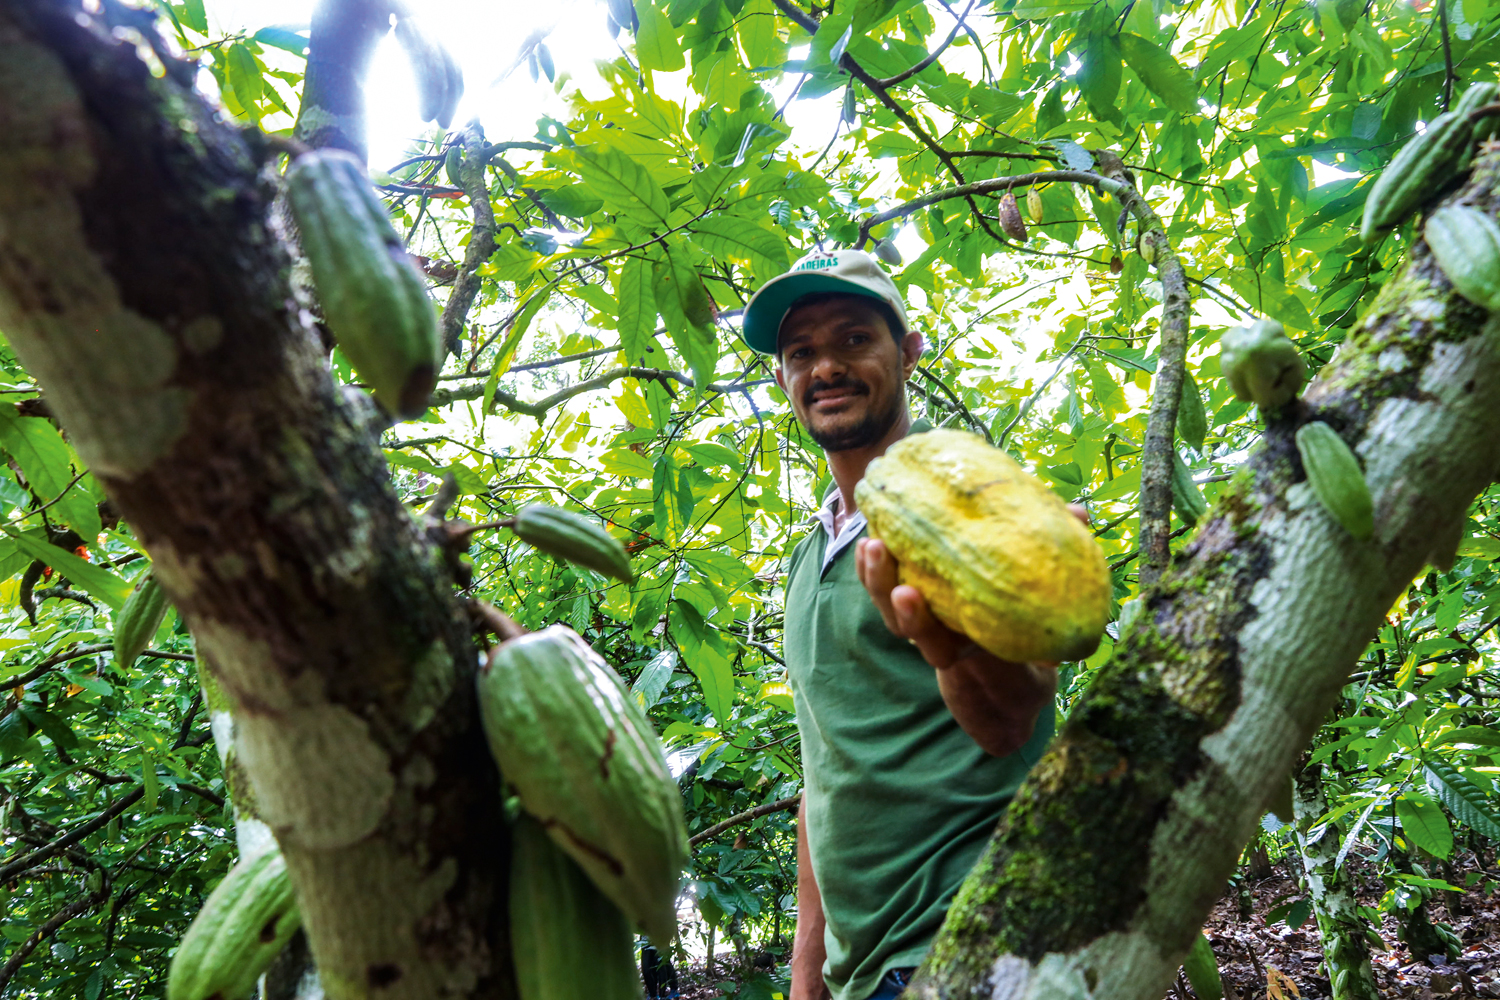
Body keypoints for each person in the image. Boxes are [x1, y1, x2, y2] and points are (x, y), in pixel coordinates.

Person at [739, 248, 1060, 1000]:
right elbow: (826, 776)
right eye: (801, 352)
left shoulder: (966, 499)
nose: (826, 368)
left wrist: (949, 650)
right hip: (864, 974)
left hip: (974, 943)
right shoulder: (808, 553)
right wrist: (806, 977)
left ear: (909, 354)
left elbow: (1015, 716)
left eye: (854, 339)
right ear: (783, 378)